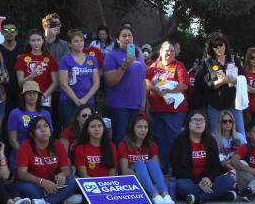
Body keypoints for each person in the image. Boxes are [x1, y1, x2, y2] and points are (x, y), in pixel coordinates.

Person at [169, 110, 236, 204]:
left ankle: (199, 198)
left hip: (207, 180)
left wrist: (208, 178)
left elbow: (216, 166)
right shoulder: (179, 142)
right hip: (190, 180)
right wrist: (198, 181)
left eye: (201, 120)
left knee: (229, 180)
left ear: (205, 123)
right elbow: (177, 169)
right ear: (188, 123)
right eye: (195, 120)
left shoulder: (211, 141)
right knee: (181, 185)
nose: (198, 123)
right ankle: (219, 195)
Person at [14, 115, 83, 204]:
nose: (43, 130)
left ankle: (43, 202)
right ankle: (61, 199)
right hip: (34, 184)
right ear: (31, 133)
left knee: (75, 180)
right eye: (38, 128)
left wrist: (62, 175)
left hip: (53, 184)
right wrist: (42, 182)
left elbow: (66, 169)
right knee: (26, 188)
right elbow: (21, 174)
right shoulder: (24, 146)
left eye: (46, 126)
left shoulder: (57, 144)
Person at [145, 40, 189, 173]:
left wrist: (167, 91)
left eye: (172, 50)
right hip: (157, 109)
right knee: (159, 139)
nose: (169, 53)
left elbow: (184, 85)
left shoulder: (179, 66)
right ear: (160, 51)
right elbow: (146, 81)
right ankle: (163, 168)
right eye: (166, 50)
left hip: (175, 110)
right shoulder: (153, 65)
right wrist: (157, 90)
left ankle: (176, 168)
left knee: (173, 139)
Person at [193, 32, 245, 137]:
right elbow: (206, 85)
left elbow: (244, 78)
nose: (218, 48)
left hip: (233, 104)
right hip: (215, 105)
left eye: (221, 44)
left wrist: (236, 80)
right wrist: (223, 81)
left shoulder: (234, 59)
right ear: (211, 48)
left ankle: (240, 154)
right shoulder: (207, 63)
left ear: (225, 45)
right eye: (215, 46)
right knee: (216, 136)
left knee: (239, 134)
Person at [102, 26, 147, 145]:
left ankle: (133, 163)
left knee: (135, 139)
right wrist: (124, 67)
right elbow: (110, 81)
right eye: (124, 36)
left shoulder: (138, 56)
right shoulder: (111, 55)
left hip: (136, 105)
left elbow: (142, 80)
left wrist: (143, 102)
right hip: (119, 105)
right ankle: (118, 163)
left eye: (130, 35)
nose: (127, 38)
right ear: (118, 40)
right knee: (120, 138)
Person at [117, 114, 174, 204]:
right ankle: (155, 195)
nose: (143, 130)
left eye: (145, 127)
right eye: (139, 127)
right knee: (140, 163)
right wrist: (141, 171)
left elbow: (157, 169)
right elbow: (124, 171)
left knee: (151, 162)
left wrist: (145, 172)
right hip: (130, 181)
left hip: (147, 180)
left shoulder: (151, 145)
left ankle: (166, 195)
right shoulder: (123, 145)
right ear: (132, 129)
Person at [57, 29, 100, 130]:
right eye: (76, 41)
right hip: (69, 101)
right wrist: (76, 100)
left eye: (81, 40)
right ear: (69, 44)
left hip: (88, 101)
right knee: (70, 130)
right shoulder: (65, 60)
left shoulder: (92, 59)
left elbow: (96, 82)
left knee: (88, 130)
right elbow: (63, 83)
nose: (80, 43)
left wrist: (85, 99)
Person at [15, 29, 58, 109]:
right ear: (29, 42)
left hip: (45, 97)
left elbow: (55, 82)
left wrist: (43, 96)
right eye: (33, 40)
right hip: (27, 98)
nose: (36, 43)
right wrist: (32, 75)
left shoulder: (50, 58)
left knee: (44, 120)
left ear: (43, 41)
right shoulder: (22, 58)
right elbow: (20, 84)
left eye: (38, 40)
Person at [7, 80, 52, 153]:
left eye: (34, 93)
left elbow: (49, 137)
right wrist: (25, 156)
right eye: (28, 93)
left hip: (41, 156)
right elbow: (12, 140)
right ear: (23, 96)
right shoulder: (15, 113)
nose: (32, 95)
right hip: (20, 155)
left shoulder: (46, 114)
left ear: (38, 95)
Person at [73, 114, 118, 178]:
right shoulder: (80, 148)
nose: (97, 129)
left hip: (107, 183)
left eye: (99, 126)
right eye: (93, 126)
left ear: (103, 128)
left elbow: (112, 172)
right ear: (87, 130)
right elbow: (84, 175)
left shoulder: (111, 146)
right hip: (89, 183)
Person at [0, 19, 24, 117]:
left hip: (22, 94)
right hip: (3, 96)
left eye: (12, 30)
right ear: (1, 32)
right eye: (6, 30)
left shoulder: (24, 49)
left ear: (16, 32)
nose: (9, 33)